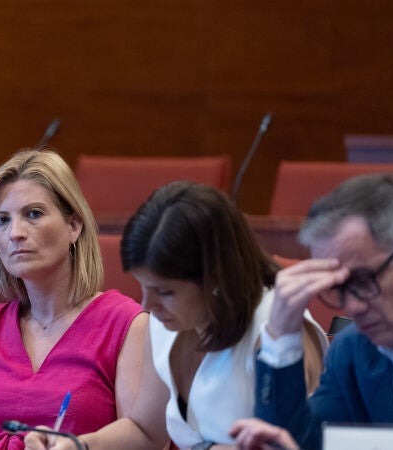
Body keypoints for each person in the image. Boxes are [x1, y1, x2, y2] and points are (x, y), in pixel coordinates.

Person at [27, 181, 327, 450]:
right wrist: (77, 444)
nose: (148, 305)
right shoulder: (164, 322)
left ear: (215, 277)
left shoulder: (279, 328)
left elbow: (296, 442)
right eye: (143, 287)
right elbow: (145, 431)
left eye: (165, 291)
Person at [0, 149, 147, 450]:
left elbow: (145, 440)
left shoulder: (127, 324)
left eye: (34, 214)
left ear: (73, 226)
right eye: (2, 220)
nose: (15, 233)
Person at [255, 173, 393, 450]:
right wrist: (281, 339)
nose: (352, 307)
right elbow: (296, 444)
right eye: (339, 288)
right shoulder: (352, 350)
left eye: (363, 281)